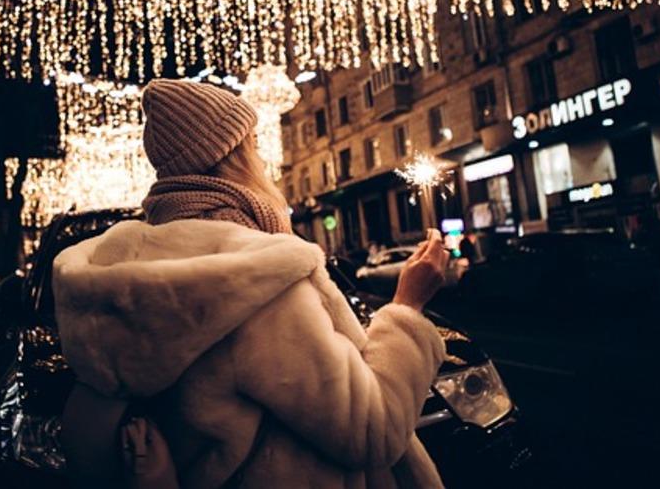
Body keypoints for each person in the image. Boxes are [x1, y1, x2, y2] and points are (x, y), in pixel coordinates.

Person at [53, 80, 449, 488]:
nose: (263, 160)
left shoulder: (132, 272)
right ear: (232, 157)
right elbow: (370, 430)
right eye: (253, 146)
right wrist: (407, 307)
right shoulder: (257, 281)